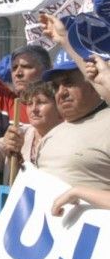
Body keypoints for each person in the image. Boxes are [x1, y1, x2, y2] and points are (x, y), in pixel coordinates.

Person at [35, 50, 110, 189]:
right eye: (56, 86)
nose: (61, 93)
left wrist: (77, 194)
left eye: (69, 83)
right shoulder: (51, 135)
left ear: (94, 82)